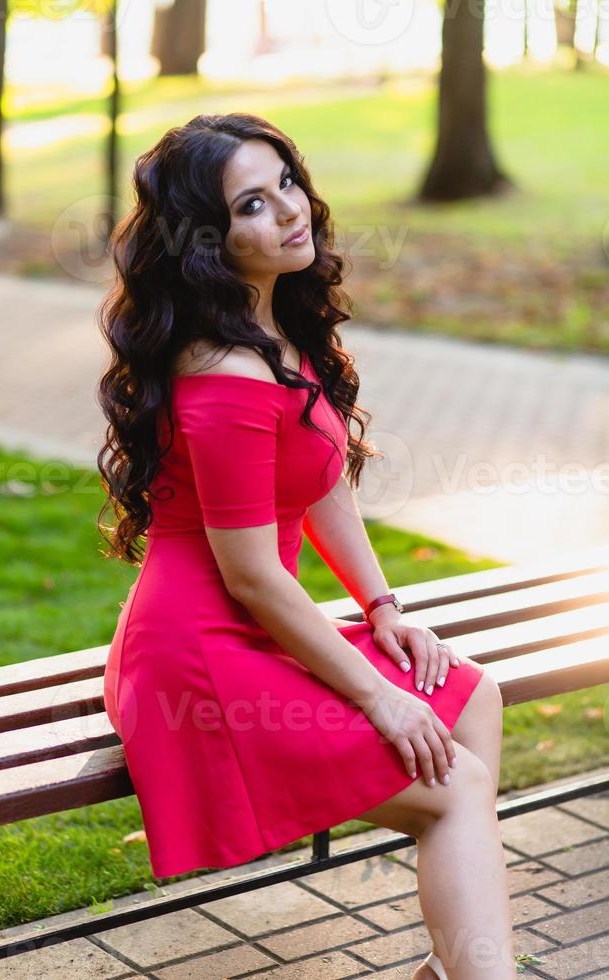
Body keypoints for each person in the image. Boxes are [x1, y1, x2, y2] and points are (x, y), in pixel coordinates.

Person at [96, 112, 515, 979]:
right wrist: (381, 699)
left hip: (248, 627)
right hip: (200, 658)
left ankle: (453, 968)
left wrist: (384, 608)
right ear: (211, 239)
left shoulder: (275, 328)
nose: (289, 210)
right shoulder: (228, 375)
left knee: (473, 699)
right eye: (253, 202)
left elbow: (320, 478)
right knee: (458, 783)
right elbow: (251, 576)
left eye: (286, 180)